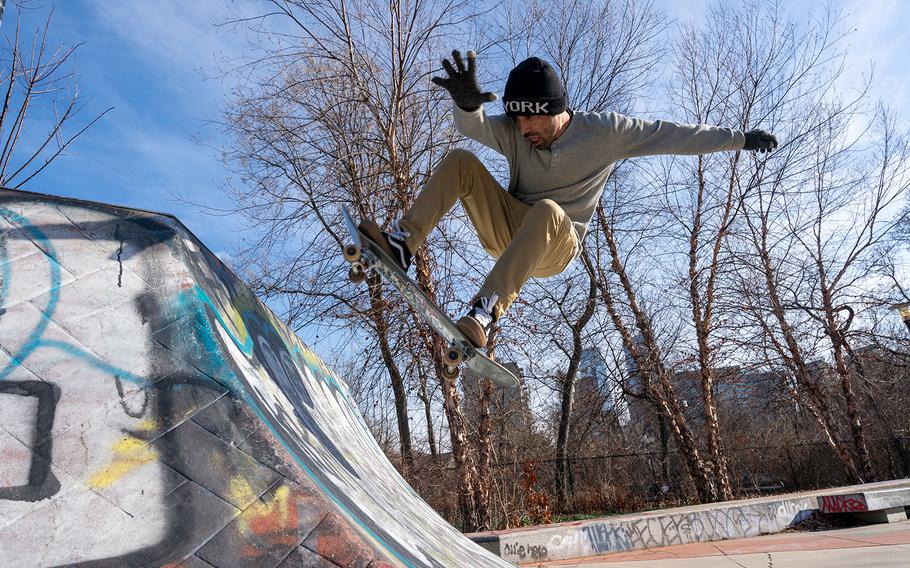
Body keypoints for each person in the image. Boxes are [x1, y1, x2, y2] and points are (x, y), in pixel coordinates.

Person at [360, 50, 778, 348]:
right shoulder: (513, 129)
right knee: (460, 161)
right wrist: (468, 107)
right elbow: (475, 129)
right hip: (508, 230)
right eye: (517, 117)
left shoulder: (606, 133)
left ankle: (484, 313)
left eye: (531, 117)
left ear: (556, 109)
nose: (523, 128)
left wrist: (739, 139)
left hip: (556, 246)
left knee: (547, 211)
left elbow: (672, 135)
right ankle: (400, 244)